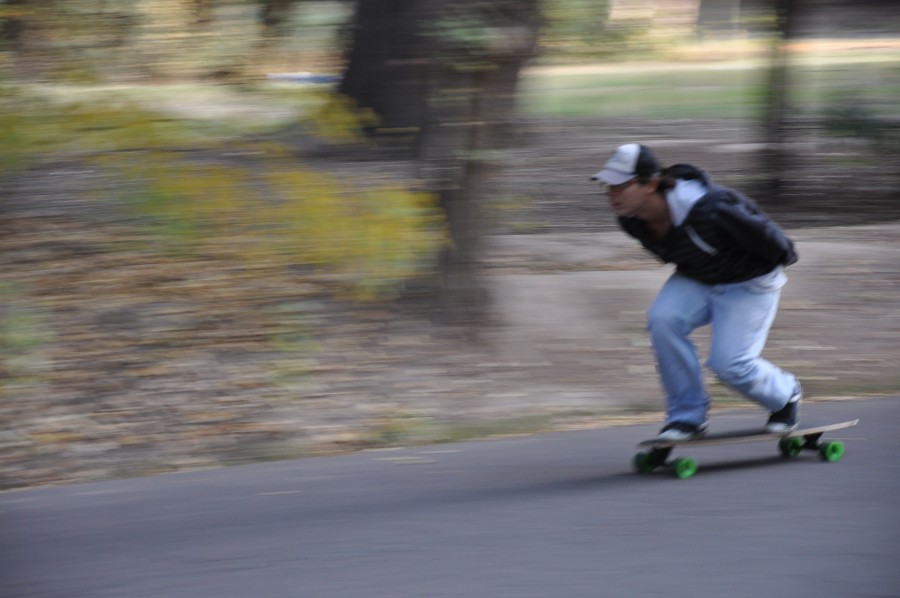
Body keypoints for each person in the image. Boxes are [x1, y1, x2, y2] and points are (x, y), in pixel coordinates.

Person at [591, 143, 802, 440]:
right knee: (663, 320)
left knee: (729, 365)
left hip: (749, 283)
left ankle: (785, 395)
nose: (610, 193)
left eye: (620, 185)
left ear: (650, 184)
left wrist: (748, 271)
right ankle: (686, 417)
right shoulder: (631, 219)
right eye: (607, 185)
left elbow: (781, 247)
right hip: (699, 276)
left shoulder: (714, 208)